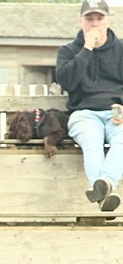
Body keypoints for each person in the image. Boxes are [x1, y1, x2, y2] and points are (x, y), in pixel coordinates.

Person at [56, 0, 123, 212]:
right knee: (92, 146)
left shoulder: (121, 49)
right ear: (80, 21)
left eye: (99, 18)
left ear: (108, 20)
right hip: (83, 113)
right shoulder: (68, 50)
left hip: (116, 112)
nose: (94, 23)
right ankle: (107, 190)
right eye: (89, 18)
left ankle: (104, 190)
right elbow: (66, 82)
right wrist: (86, 49)